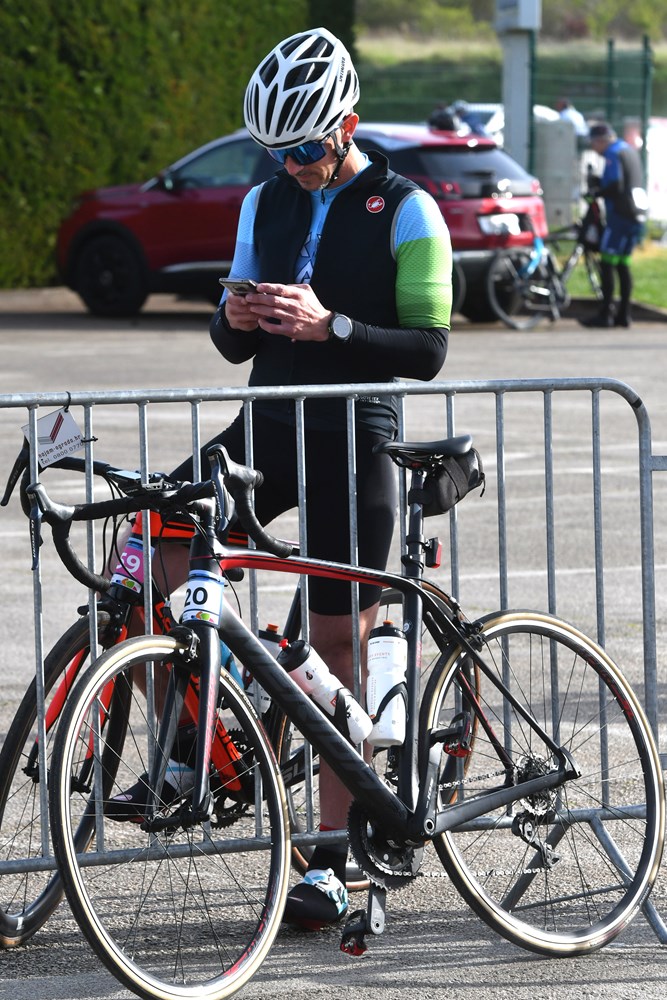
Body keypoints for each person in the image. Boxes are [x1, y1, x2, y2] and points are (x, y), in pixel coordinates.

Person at [108, 27, 453, 931]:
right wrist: (234, 315)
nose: (291, 166)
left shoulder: (406, 207)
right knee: (141, 549)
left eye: (304, 149)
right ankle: (198, 744)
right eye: (276, 152)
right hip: (266, 429)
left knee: (335, 643)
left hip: (356, 437)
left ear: (347, 124)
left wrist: (328, 326)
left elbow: (427, 349)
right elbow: (230, 344)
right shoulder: (265, 200)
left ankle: (333, 861)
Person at [580, 122, 646, 329]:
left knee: (607, 263)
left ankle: (605, 314)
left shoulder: (612, 153)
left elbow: (616, 184)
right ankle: (624, 314)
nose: (594, 149)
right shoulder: (629, 150)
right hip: (636, 214)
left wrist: (596, 192)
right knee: (623, 264)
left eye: (593, 144)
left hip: (620, 216)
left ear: (601, 141)